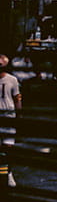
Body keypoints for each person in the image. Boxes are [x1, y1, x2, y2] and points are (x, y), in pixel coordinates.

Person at [0, 55, 18, 183]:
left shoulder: (12, 80)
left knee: (8, 147)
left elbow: (17, 97)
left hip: (8, 116)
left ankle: (9, 173)